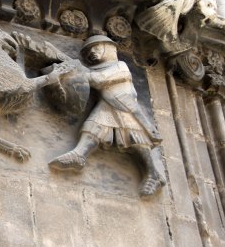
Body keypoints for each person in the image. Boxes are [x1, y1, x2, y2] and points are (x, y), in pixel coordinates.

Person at [49, 35, 165, 197]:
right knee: (93, 126)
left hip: (126, 107)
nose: (92, 53)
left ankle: (154, 174)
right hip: (109, 104)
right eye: (90, 52)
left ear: (109, 48)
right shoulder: (97, 69)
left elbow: (99, 79)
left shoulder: (121, 66)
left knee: (136, 139)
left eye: (96, 48)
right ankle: (79, 155)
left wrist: (80, 70)